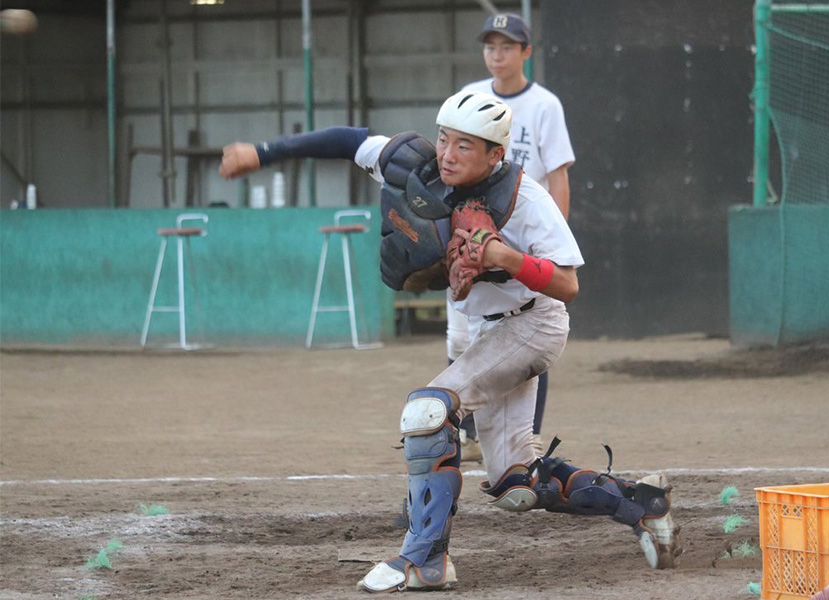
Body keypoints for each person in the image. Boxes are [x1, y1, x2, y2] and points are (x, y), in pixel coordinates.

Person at [219, 90, 680, 593]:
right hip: (486, 330)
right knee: (514, 486)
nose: (448, 153)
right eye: (444, 138)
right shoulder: (417, 166)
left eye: (465, 145)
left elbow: (568, 284)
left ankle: (424, 560)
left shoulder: (524, 199)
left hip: (532, 324)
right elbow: (347, 141)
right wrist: (263, 154)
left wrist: (505, 257)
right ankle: (642, 503)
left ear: (495, 155)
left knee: (427, 412)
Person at [451, 13, 576, 462]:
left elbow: (557, 175)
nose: (497, 54)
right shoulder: (469, 97)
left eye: (507, 46)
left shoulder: (544, 105)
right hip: (472, 240)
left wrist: (555, 244)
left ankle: (527, 436)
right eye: (490, 46)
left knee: (527, 333)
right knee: (463, 340)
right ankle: (465, 435)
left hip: (524, 239)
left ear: (526, 52)